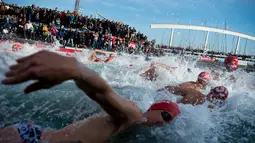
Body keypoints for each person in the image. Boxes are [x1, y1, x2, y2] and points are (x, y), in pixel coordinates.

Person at [0, 50, 181, 143]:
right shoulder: (133, 115)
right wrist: (77, 70)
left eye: (170, 121)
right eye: (165, 115)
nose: (165, 123)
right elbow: (103, 93)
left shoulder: (137, 133)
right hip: (28, 139)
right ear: (154, 109)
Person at [157, 85, 229, 108]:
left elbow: (169, 88)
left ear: (211, 91)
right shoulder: (211, 108)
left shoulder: (193, 92)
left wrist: (156, 92)